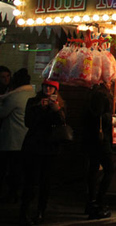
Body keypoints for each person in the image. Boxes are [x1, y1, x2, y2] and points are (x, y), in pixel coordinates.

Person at [19, 79, 66, 226]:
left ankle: (40, 212)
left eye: (51, 87)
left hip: (50, 147)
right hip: (34, 146)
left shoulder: (59, 105)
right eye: (46, 86)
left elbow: (62, 123)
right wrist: (40, 108)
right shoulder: (33, 102)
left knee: (46, 182)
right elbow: (28, 122)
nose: (47, 89)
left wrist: (56, 110)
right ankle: (24, 212)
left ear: (55, 90)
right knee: (30, 181)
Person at [0, 68, 35, 203]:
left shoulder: (15, 96)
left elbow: (2, 113)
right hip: (25, 138)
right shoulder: (31, 94)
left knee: (10, 167)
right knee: (19, 168)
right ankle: (16, 193)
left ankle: (11, 193)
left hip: (13, 138)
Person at [82, 80, 114, 220]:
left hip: (91, 139)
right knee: (109, 169)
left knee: (93, 169)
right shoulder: (101, 95)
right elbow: (100, 117)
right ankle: (98, 203)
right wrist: (109, 118)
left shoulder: (91, 93)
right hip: (101, 140)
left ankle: (91, 202)